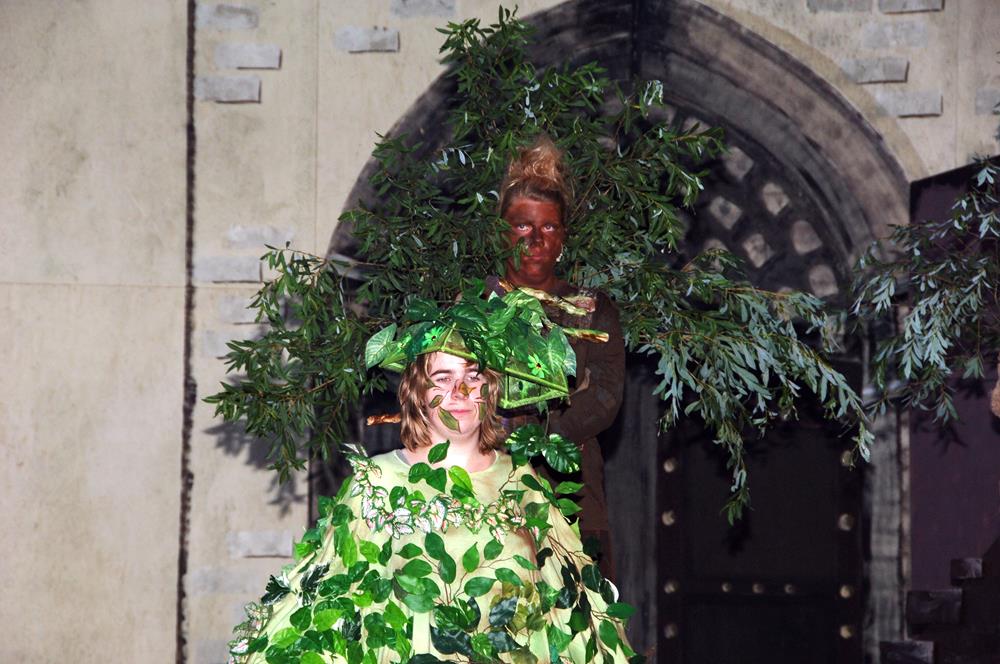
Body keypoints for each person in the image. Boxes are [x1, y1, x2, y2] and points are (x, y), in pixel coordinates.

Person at [227, 294, 636, 664]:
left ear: (489, 390)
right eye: (442, 378)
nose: (460, 391)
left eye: (473, 376)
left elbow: (570, 608)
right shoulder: (380, 481)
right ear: (417, 393)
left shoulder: (520, 480)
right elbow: (327, 604)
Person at [492, 135, 626, 577]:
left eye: (548, 226)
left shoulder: (593, 307)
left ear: (563, 236)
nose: (535, 238)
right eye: (522, 226)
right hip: (489, 473)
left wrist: (543, 433)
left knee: (578, 604)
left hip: (572, 477)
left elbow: (605, 396)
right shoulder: (477, 304)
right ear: (503, 232)